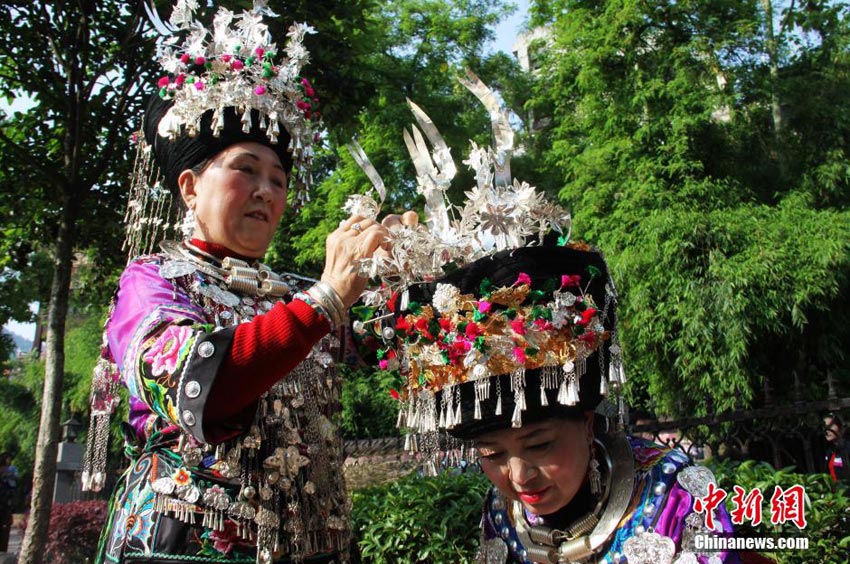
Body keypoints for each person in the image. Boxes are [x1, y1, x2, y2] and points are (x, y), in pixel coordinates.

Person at [350, 73, 740, 564]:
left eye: (539, 443)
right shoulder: (503, 514)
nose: (519, 476)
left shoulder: (674, 495)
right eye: (491, 455)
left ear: (586, 420)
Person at [81, 3, 411, 563]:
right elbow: (201, 387)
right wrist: (327, 298)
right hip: (184, 543)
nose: (266, 191)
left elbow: (401, 347)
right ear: (190, 187)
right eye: (245, 169)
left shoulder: (292, 291)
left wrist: (412, 275)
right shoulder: (153, 282)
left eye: (278, 179)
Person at [823, 413, 850, 484]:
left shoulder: (847, 447)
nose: (827, 430)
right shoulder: (830, 449)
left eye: (830, 426)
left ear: (840, 426)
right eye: (824, 427)